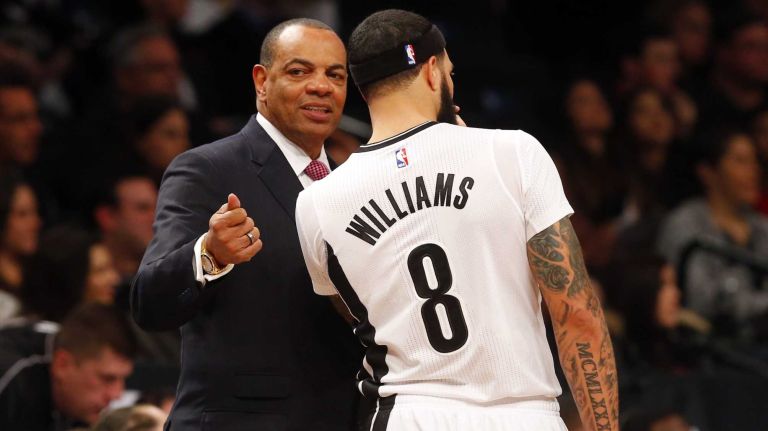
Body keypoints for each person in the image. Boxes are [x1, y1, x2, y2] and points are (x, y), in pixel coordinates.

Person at [295, 9, 618, 431]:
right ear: (432, 71)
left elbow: (357, 313)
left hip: (407, 414)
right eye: (450, 72)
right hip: (522, 414)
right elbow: (577, 315)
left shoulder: (316, 202)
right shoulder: (513, 154)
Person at [130, 18, 361, 430]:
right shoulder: (206, 169)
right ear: (262, 81)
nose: (321, 86)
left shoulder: (356, 184)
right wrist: (209, 254)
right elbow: (149, 302)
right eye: (299, 71)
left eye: (335, 75)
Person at [657, 128, 768, 338]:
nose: (753, 171)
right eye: (740, 161)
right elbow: (703, 302)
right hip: (708, 346)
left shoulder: (762, 226)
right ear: (708, 172)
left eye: (755, 162)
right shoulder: (686, 223)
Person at [0, 303, 137, 430]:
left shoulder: (70, 344)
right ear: (63, 365)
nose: (116, 395)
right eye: (107, 379)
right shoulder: (10, 377)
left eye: (122, 379)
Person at [20, 226, 120, 322]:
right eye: (100, 271)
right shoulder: (38, 331)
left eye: (111, 268)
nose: (115, 279)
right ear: (70, 279)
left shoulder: (114, 325)